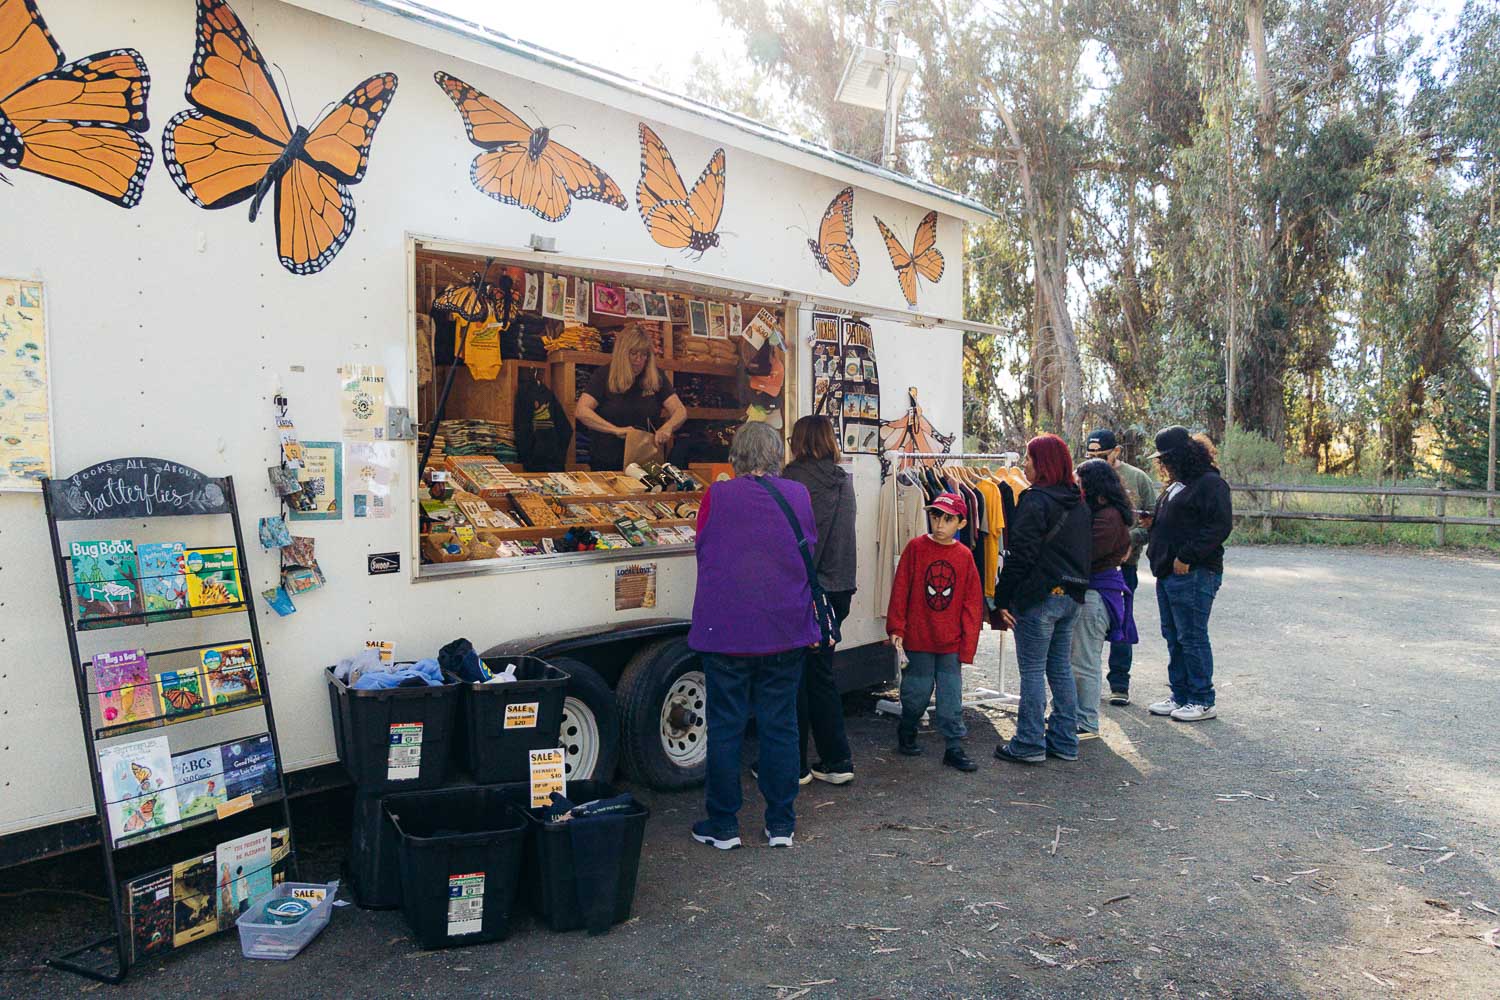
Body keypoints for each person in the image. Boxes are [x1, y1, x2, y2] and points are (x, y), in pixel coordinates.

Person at [688, 421, 820, 849]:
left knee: (725, 727)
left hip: (725, 630)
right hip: (785, 627)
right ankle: (781, 823)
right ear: (777, 455)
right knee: (779, 725)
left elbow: (702, 544)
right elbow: (808, 548)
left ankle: (723, 825)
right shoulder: (798, 495)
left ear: (736, 456)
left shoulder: (717, 495)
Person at [991, 434, 1092, 764]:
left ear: (1044, 463)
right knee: (1059, 668)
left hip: (1039, 598)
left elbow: (1020, 555)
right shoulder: (1078, 501)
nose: (1025, 465)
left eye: (1029, 459)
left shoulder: (1035, 500)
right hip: (1072, 597)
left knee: (1033, 671)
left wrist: (1001, 599)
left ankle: (1029, 741)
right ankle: (1064, 740)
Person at [781, 416, 857, 786]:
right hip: (840, 589)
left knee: (794, 676)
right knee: (821, 675)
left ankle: (792, 765)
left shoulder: (794, 480)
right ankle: (837, 759)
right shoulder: (844, 480)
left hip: (807, 590)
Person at [886, 492, 983, 772]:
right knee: (916, 693)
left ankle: (953, 746)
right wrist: (897, 627)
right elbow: (901, 588)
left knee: (951, 697)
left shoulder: (964, 556)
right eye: (936, 516)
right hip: (919, 638)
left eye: (948, 519)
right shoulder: (916, 548)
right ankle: (907, 729)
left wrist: (968, 645)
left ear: (961, 523)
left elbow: (972, 604)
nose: (940, 524)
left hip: (950, 642)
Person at [1145, 426, 1234, 722]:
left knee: (1192, 636)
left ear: (1185, 454)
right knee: (1173, 635)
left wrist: (1187, 556)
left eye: (1168, 457)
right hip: (1168, 573)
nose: (1164, 463)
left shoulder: (1210, 483)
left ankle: (1202, 699)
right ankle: (1180, 694)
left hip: (1194, 573)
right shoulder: (1176, 485)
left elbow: (1219, 527)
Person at [1083, 428, 1157, 706]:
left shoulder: (1138, 479)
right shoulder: (1086, 476)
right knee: (1088, 623)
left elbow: (1153, 521)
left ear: (1116, 452)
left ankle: (1119, 683)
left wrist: (1130, 541)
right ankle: (1088, 686)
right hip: (1091, 566)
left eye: (1102, 455)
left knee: (1122, 622)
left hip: (1125, 565)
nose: (1096, 460)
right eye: (1091, 455)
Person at [1069, 459, 1136, 740]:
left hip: (1095, 595)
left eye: (1080, 482)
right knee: (1077, 660)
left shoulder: (1107, 517)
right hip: (1092, 593)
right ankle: (1074, 716)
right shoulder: (1104, 514)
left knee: (1084, 662)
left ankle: (1085, 721)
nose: (1076, 486)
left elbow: (1085, 553)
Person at [574, 323, 687, 471]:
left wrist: (667, 427)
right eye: (633, 354)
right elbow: (582, 411)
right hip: (607, 462)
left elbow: (680, 410)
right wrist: (615, 430)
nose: (639, 360)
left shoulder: (655, 375)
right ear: (622, 353)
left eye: (644, 355)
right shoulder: (604, 375)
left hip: (646, 462)